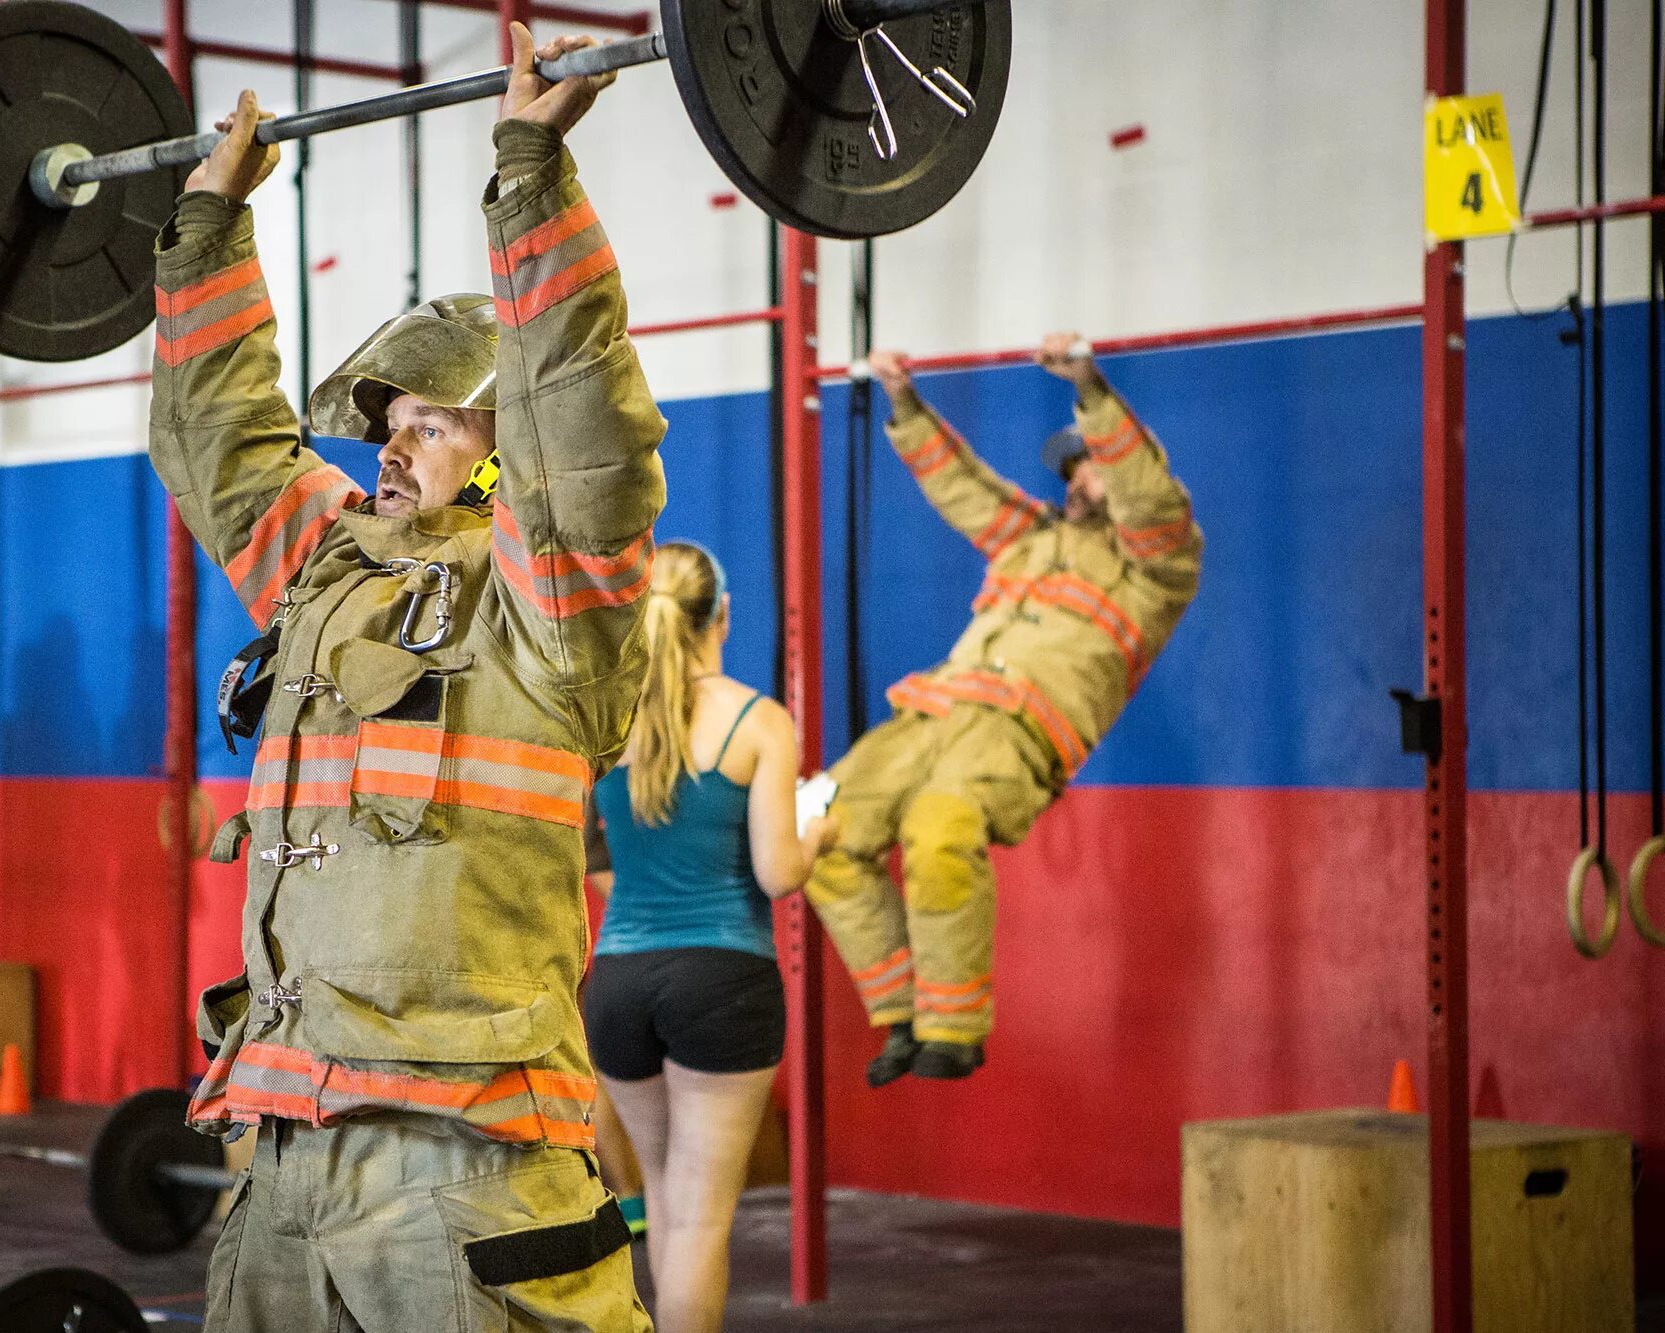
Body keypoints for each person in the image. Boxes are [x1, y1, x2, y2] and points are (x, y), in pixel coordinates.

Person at [152, 24, 664, 1332]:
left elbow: (580, 453)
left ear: (498, 455)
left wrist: (532, 182)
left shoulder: (545, 612)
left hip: (469, 1167)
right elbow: (226, 454)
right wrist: (209, 229)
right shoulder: (328, 572)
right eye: (387, 427)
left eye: (434, 424)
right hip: (282, 1152)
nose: (393, 449)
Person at [807, 335, 1202, 1085]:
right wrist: (902, 400)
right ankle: (898, 1015)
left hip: (1013, 731)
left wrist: (1088, 388)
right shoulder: (1029, 540)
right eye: (1078, 470)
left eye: (1094, 465)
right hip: (930, 710)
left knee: (939, 829)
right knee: (812, 820)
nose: (1081, 480)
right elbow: (965, 488)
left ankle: (954, 1029)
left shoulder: (1158, 570)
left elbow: (1149, 496)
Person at [583, 542, 835, 1333]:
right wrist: (822, 824)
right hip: (720, 981)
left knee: (661, 1196)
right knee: (698, 1217)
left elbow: (586, 848)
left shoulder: (606, 718)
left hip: (618, 982)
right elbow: (779, 870)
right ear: (720, 613)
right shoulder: (757, 719)